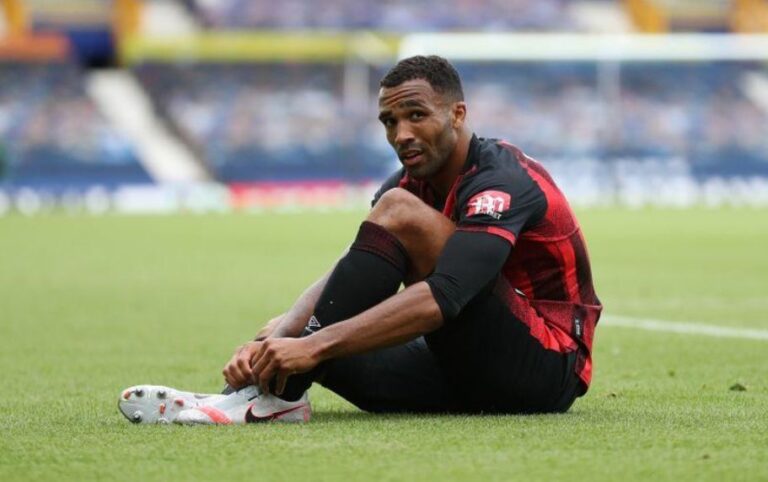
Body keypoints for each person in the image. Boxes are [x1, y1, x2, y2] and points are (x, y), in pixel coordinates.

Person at [118, 55, 602, 425]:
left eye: (416, 115)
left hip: (546, 370)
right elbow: (352, 270)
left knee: (324, 329)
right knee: (296, 335)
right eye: (390, 122)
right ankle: (250, 396)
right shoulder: (407, 184)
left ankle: (271, 401)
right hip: (466, 371)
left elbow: (447, 294)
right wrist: (281, 335)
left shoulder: (502, 181)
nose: (401, 134)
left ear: (457, 114)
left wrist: (313, 344)